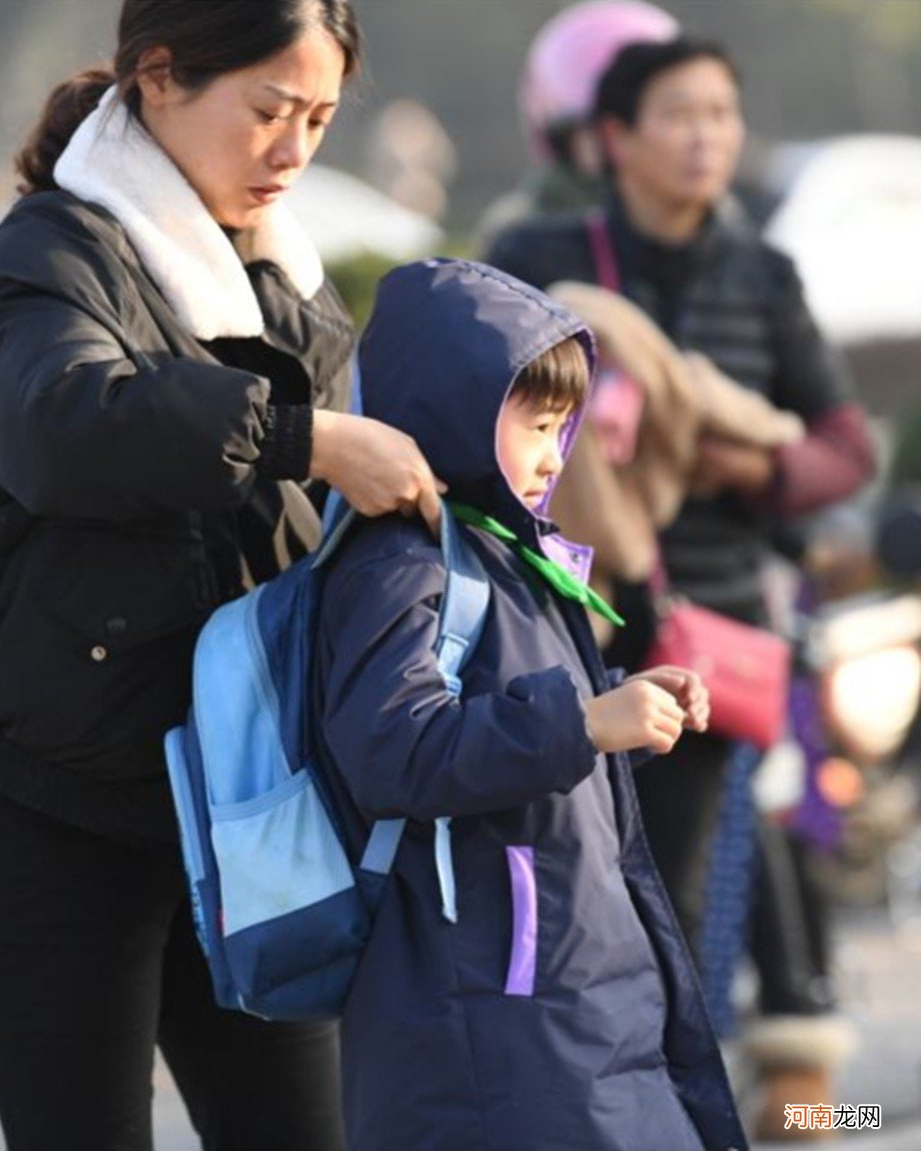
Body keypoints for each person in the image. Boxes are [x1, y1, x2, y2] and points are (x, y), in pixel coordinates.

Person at [0, 3, 451, 1150]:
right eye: (268, 110)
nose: (293, 151)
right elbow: (65, 424)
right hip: (44, 815)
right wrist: (305, 437)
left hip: (245, 817)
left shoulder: (287, 282)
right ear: (158, 77)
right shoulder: (50, 255)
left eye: (321, 118)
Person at [485, 36, 876, 1130]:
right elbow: (484, 405)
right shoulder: (542, 254)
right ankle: (643, 1099)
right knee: (622, 884)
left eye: (721, 113)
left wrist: (753, 463)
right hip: (586, 626)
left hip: (735, 638)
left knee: (765, 881)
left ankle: (798, 1112)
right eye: (678, 114)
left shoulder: (764, 272)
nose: (706, 135)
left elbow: (846, 449)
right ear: (612, 138)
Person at [313, 258, 748, 1151]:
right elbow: (392, 748)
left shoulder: (501, 550)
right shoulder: (401, 560)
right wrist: (585, 721)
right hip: (495, 1005)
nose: (560, 452)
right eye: (540, 422)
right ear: (450, 409)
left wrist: (617, 703)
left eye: (566, 424)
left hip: (563, 987)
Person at [478, 0, 679, 245]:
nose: (621, 145)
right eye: (602, 132)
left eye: (635, 127)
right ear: (564, 140)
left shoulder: (723, 227)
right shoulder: (520, 234)